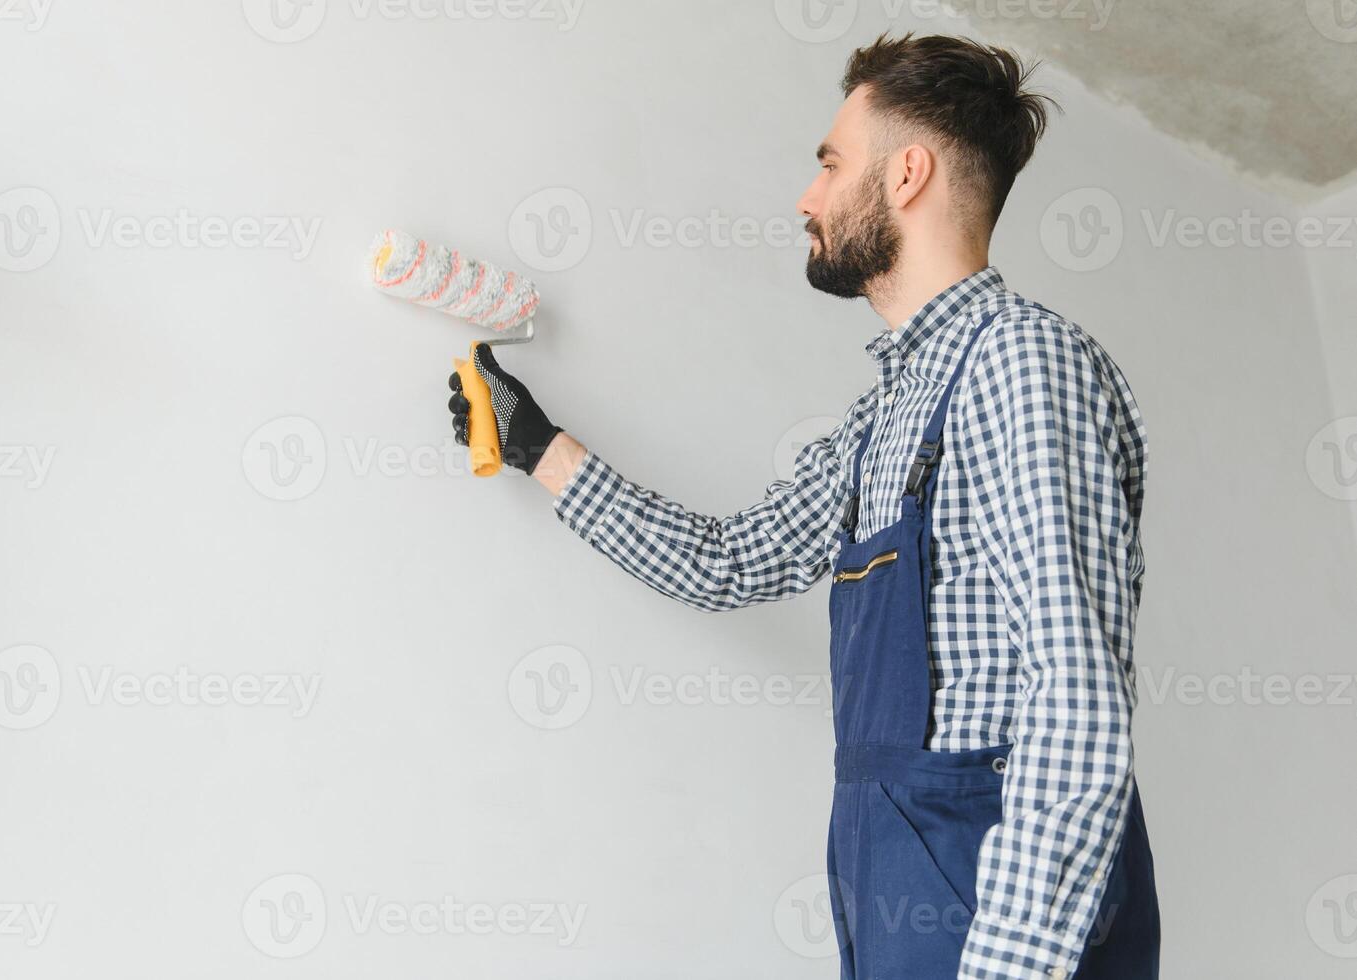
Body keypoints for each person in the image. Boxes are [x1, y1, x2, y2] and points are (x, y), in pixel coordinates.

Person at [446, 32, 1159, 980]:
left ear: (906, 174)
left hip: (994, 895)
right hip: (888, 865)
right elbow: (729, 560)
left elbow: (1074, 698)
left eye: (828, 164)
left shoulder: (1021, 362)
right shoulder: (881, 419)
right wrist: (539, 446)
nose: (806, 197)